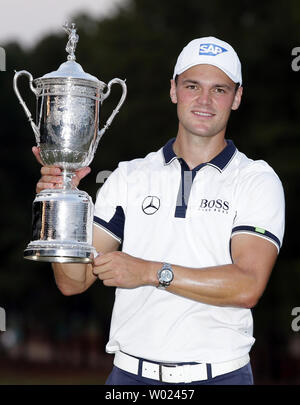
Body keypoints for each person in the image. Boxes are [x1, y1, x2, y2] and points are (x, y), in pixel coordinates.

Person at [33, 36, 285, 385]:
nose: (204, 100)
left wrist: (151, 272)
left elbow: (247, 286)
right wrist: (62, 205)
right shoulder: (129, 176)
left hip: (220, 376)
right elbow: (73, 282)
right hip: (130, 376)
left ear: (237, 97)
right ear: (173, 90)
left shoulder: (256, 179)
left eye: (220, 90)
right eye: (192, 86)